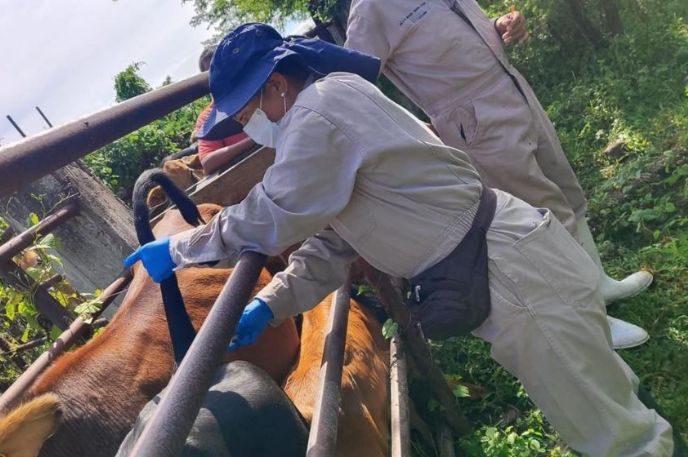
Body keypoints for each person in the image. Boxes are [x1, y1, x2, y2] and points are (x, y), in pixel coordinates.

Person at [124, 24, 674, 456]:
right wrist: (271, 303)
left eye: (247, 113)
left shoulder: (316, 118)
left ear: (276, 85)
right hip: (501, 256)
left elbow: (271, 214)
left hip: (505, 270)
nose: (248, 128)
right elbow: (337, 243)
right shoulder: (334, 97)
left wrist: (180, 248)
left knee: (604, 423)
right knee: (597, 384)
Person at [343, 0, 652, 349]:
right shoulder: (370, 9)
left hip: (509, 86)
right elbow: (354, 87)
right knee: (542, 215)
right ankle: (591, 322)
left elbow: (453, 38)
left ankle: (600, 284)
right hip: (472, 117)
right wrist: (416, 128)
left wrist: (502, 25)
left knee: (563, 187)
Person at [195, 46, 259, 174]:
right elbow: (208, 162)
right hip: (251, 172)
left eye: (221, 69)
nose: (219, 78)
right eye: (212, 73)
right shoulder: (207, 117)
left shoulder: (254, 87)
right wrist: (254, 139)